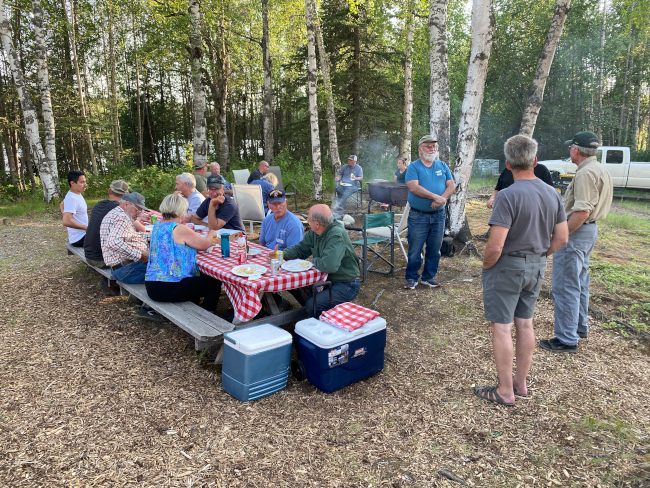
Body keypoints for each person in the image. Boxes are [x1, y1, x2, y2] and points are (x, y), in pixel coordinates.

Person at [473, 135, 568, 406]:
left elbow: (495, 246)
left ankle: (505, 391)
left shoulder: (508, 195)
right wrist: (538, 257)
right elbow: (562, 238)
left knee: (501, 327)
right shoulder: (553, 193)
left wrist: (487, 265)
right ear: (535, 161)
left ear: (507, 164)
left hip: (507, 266)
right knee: (525, 324)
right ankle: (520, 384)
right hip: (537, 265)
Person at [540, 131, 613, 354]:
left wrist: (560, 236)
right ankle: (579, 327)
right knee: (580, 282)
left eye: (570, 148)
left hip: (577, 233)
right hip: (588, 233)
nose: (569, 151)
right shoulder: (599, 169)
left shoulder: (585, 173)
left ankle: (566, 339)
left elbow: (581, 212)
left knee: (565, 287)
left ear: (576, 149)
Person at [267, 204, 360, 317]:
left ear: (317, 223)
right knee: (294, 285)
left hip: (345, 283)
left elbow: (329, 266)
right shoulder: (315, 232)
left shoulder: (336, 234)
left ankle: (325, 324)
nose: (307, 221)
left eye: (309, 219)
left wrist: (315, 260)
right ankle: (315, 312)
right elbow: (300, 249)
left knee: (313, 305)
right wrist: (280, 254)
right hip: (326, 279)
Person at [145, 194, 223, 313]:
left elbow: (174, 246)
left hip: (152, 285)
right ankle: (207, 316)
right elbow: (205, 244)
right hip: (168, 286)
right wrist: (211, 233)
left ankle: (195, 303)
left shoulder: (158, 225)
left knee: (200, 279)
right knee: (213, 283)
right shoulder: (178, 228)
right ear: (181, 210)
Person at [404, 135, 455, 289]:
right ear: (420, 149)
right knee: (415, 249)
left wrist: (442, 199)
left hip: (439, 216)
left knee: (434, 249)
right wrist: (435, 197)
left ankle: (428, 277)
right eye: (428, 146)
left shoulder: (442, 165)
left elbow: (451, 185)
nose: (432, 149)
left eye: (434, 146)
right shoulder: (414, 166)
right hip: (418, 215)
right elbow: (413, 187)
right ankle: (412, 278)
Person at [84, 179, 130, 269]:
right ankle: (109, 280)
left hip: (89, 255)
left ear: (109, 191)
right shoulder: (120, 208)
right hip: (101, 260)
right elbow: (141, 229)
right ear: (126, 195)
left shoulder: (98, 205)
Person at [486, 162, 554, 209]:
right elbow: (498, 188)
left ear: (535, 160)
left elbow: (550, 192)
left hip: (533, 210)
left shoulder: (542, 170)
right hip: (507, 208)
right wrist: (492, 198)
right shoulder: (506, 171)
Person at [62, 170, 88, 247]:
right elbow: (66, 222)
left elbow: (61, 205)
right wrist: (86, 228)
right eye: (82, 182)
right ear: (72, 183)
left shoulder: (75, 194)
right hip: (79, 238)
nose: (85, 185)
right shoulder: (72, 198)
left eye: (85, 182)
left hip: (84, 234)